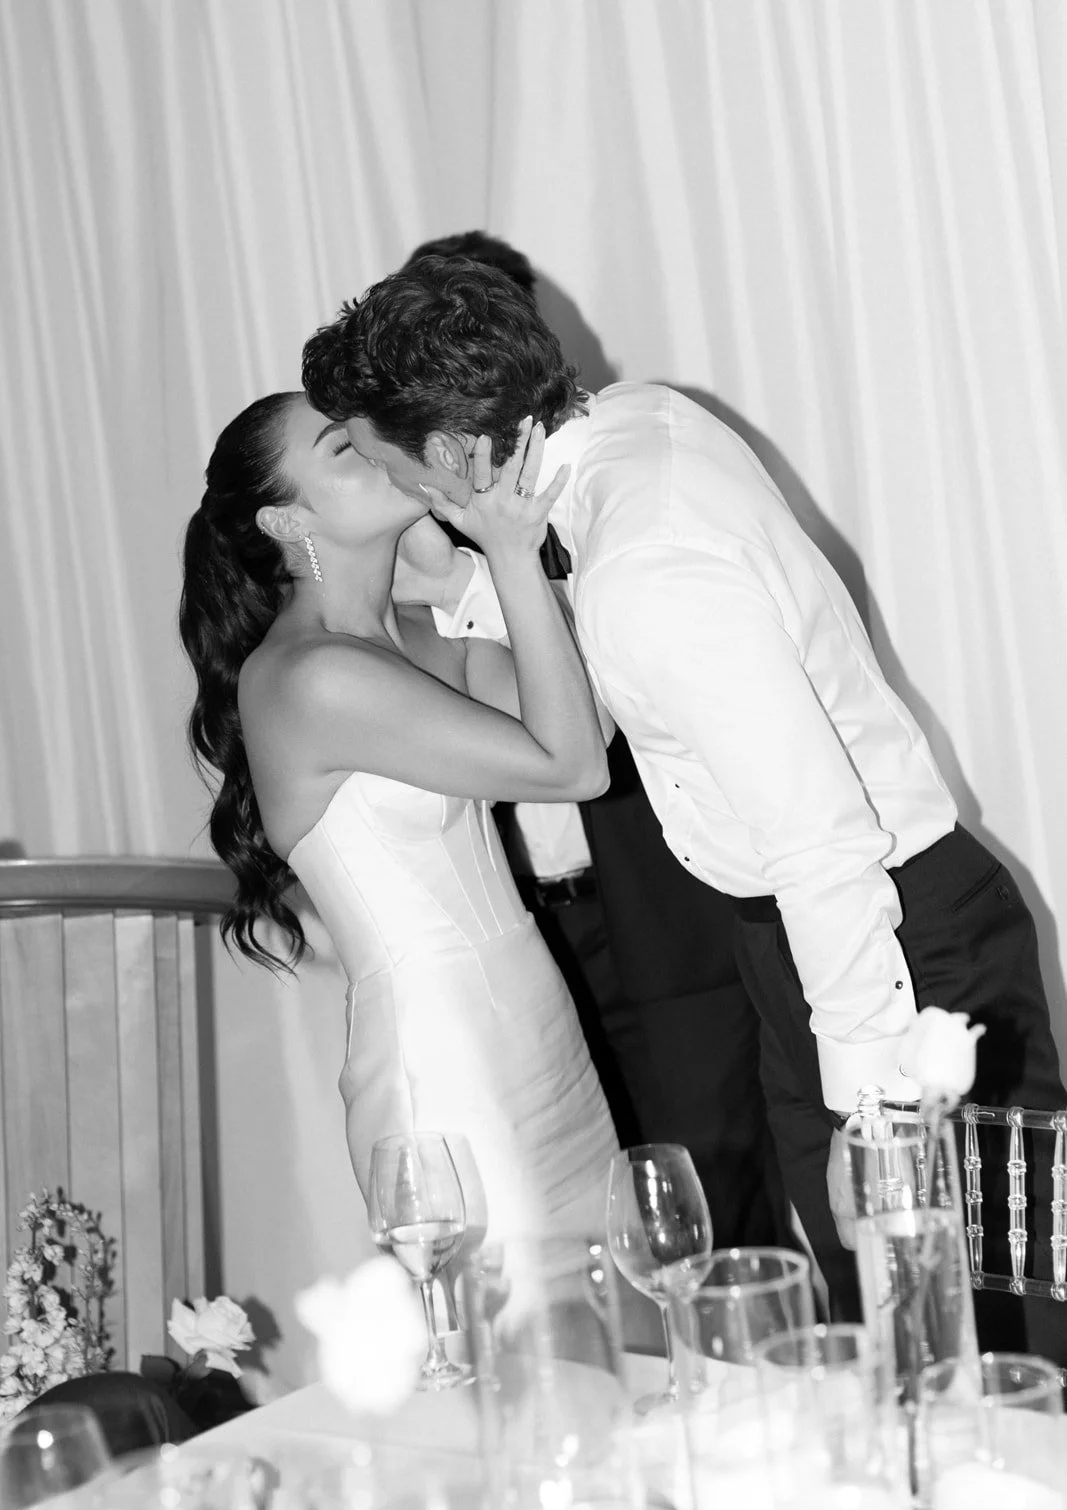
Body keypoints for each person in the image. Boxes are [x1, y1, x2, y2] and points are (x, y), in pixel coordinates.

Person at [300, 256, 1066, 1356]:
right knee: (923, 1332)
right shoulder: (638, 427)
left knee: (979, 1346)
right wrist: (478, 577)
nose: (406, 499)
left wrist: (868, 1120)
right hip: (835, 933)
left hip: (884, 948)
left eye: (395, 468)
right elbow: (636, 658)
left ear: (461, 453)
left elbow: (820, 847)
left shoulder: (646, 569)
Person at [401, 230, 785, 1249]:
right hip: (532, 931)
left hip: (664, 916)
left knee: (713, 1207)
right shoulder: (410, 529)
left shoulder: (611, 481)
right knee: (585, 1228)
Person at [178, 392, 620, 1251]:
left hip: (536, 1018)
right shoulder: (309, 677)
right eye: (345, 447)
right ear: (283, 519)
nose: (383, 448)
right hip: (440, 1050)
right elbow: (574, 770)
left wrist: (463, 570)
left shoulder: (416, 636)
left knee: (612, 1331)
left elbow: (587, 726)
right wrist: (510, 553)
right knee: (505, 1348)